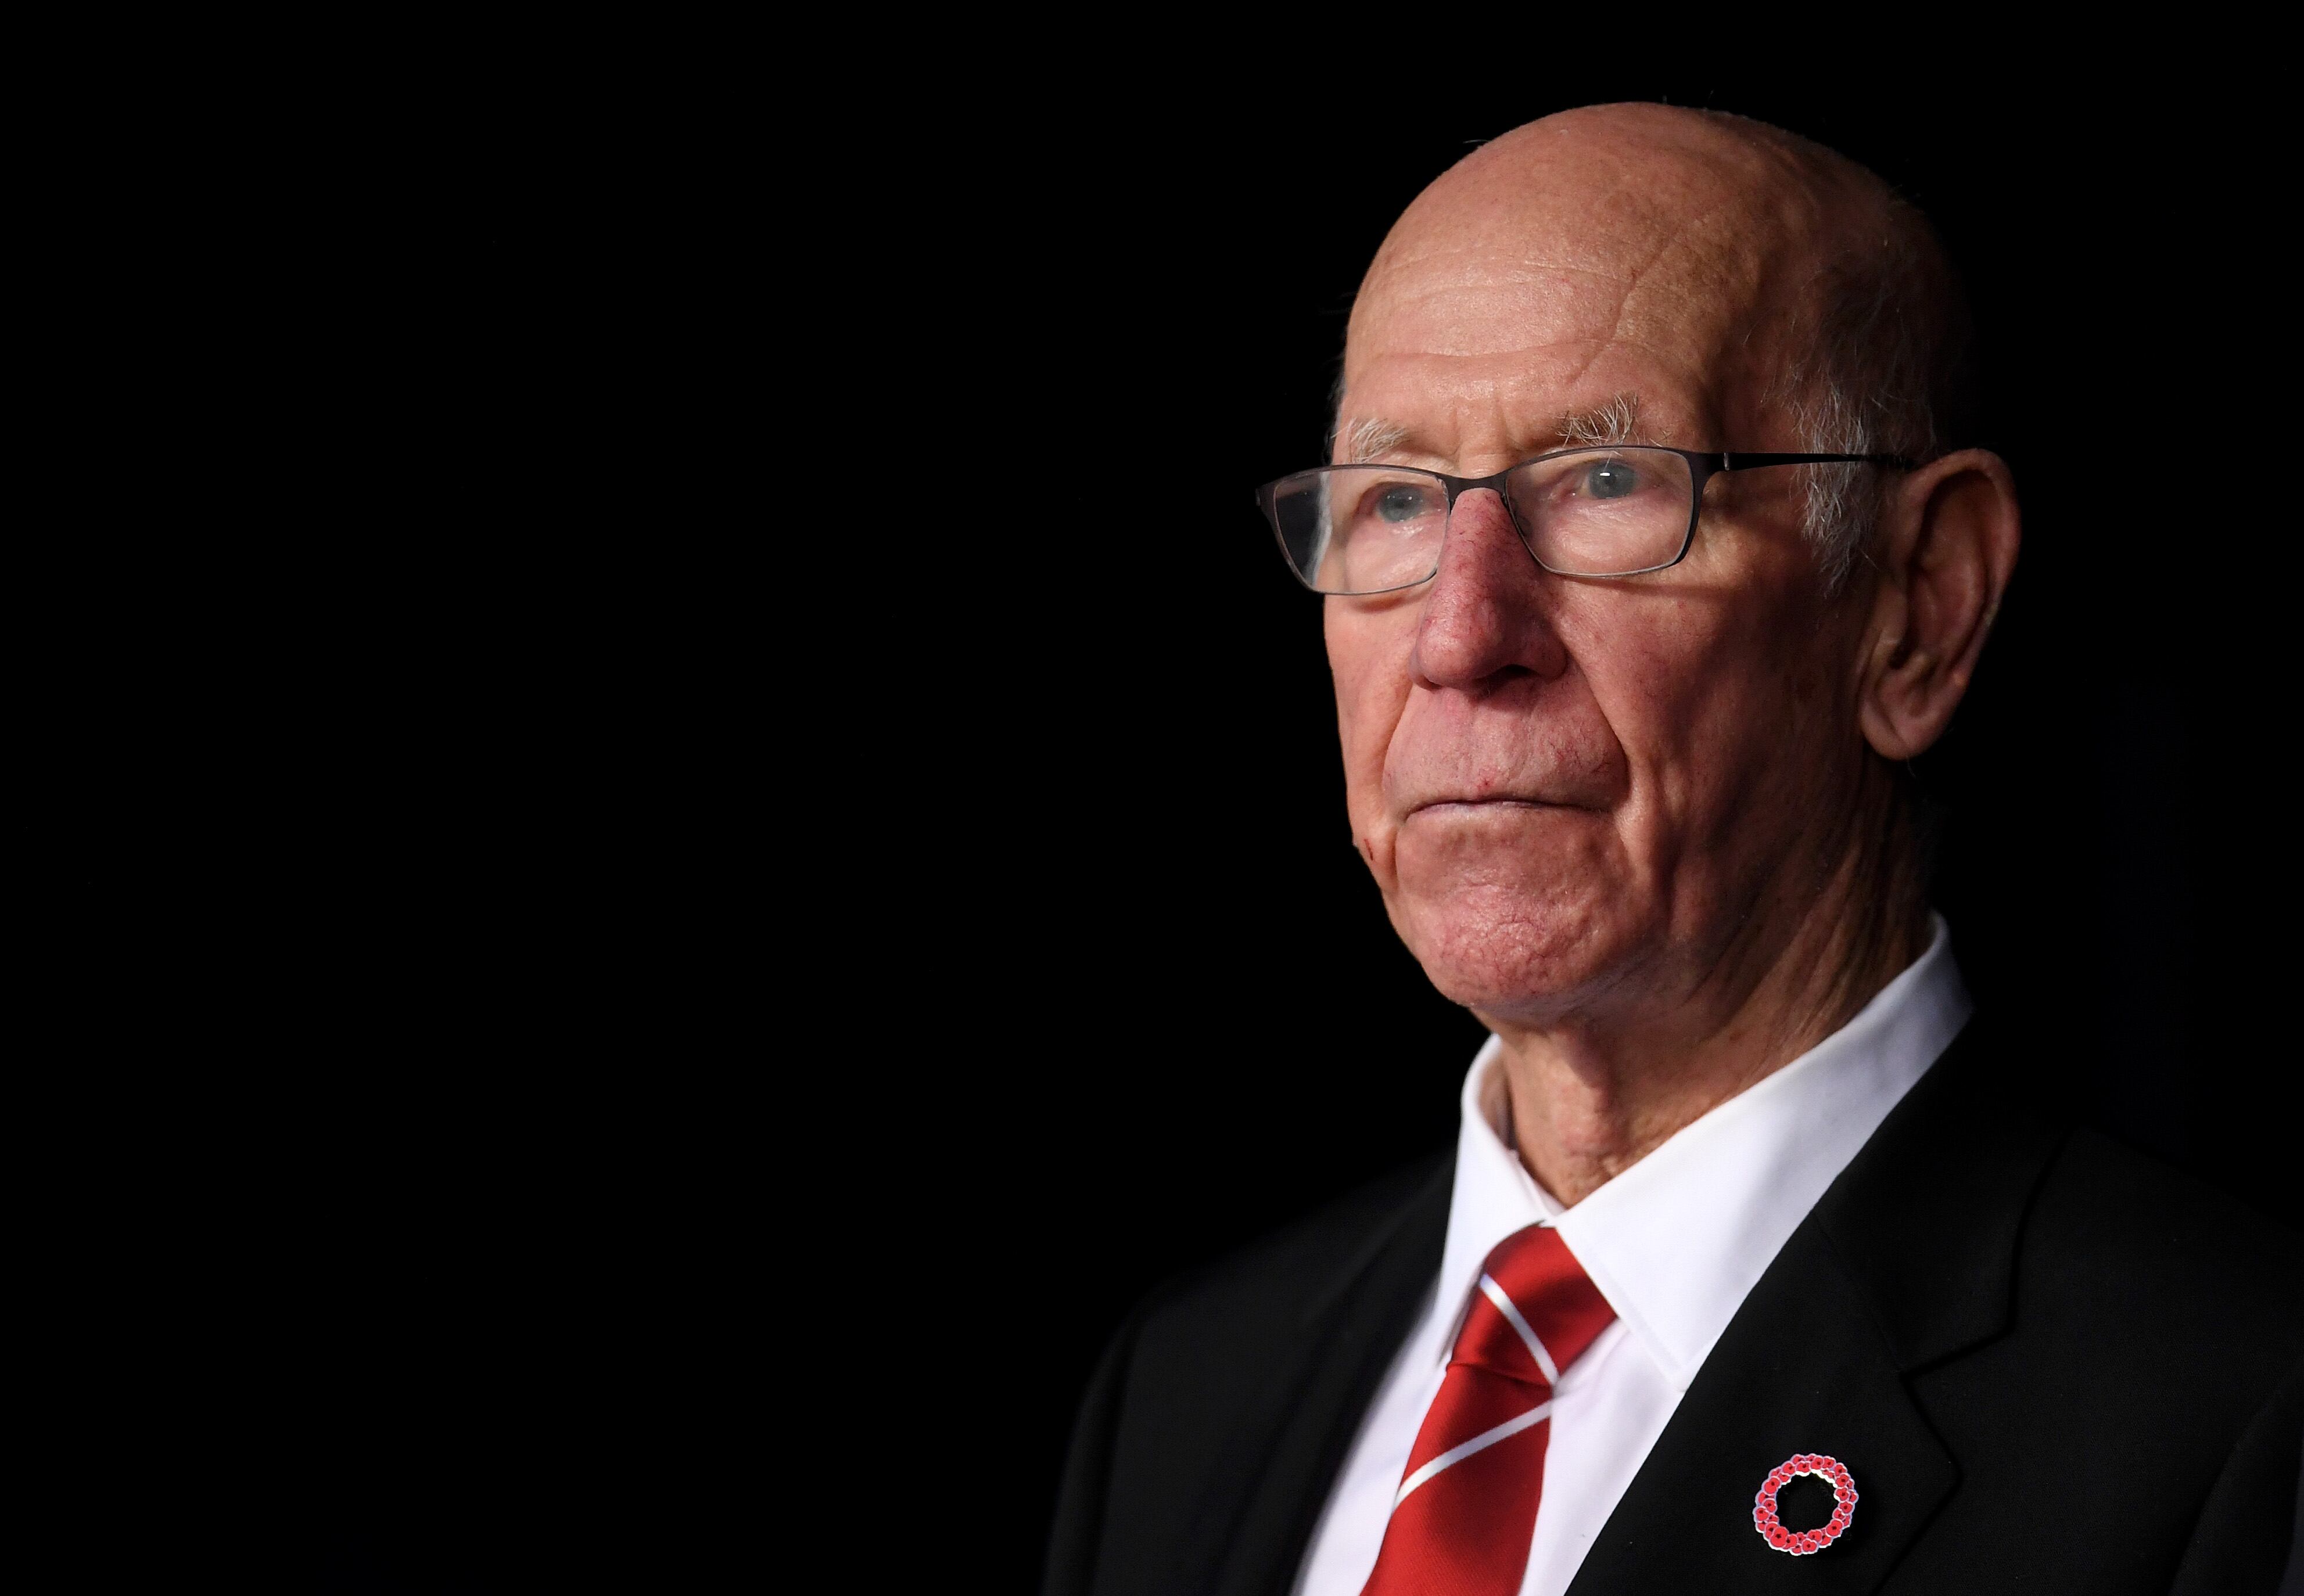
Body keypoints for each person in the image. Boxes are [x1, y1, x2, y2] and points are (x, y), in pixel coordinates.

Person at [1042, 104, 2303, 1596]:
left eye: (1609, 484)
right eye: (1393, 503)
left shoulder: (2246, 1416)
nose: (1462, 640)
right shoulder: (1185, 1393)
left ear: (1919, 604)